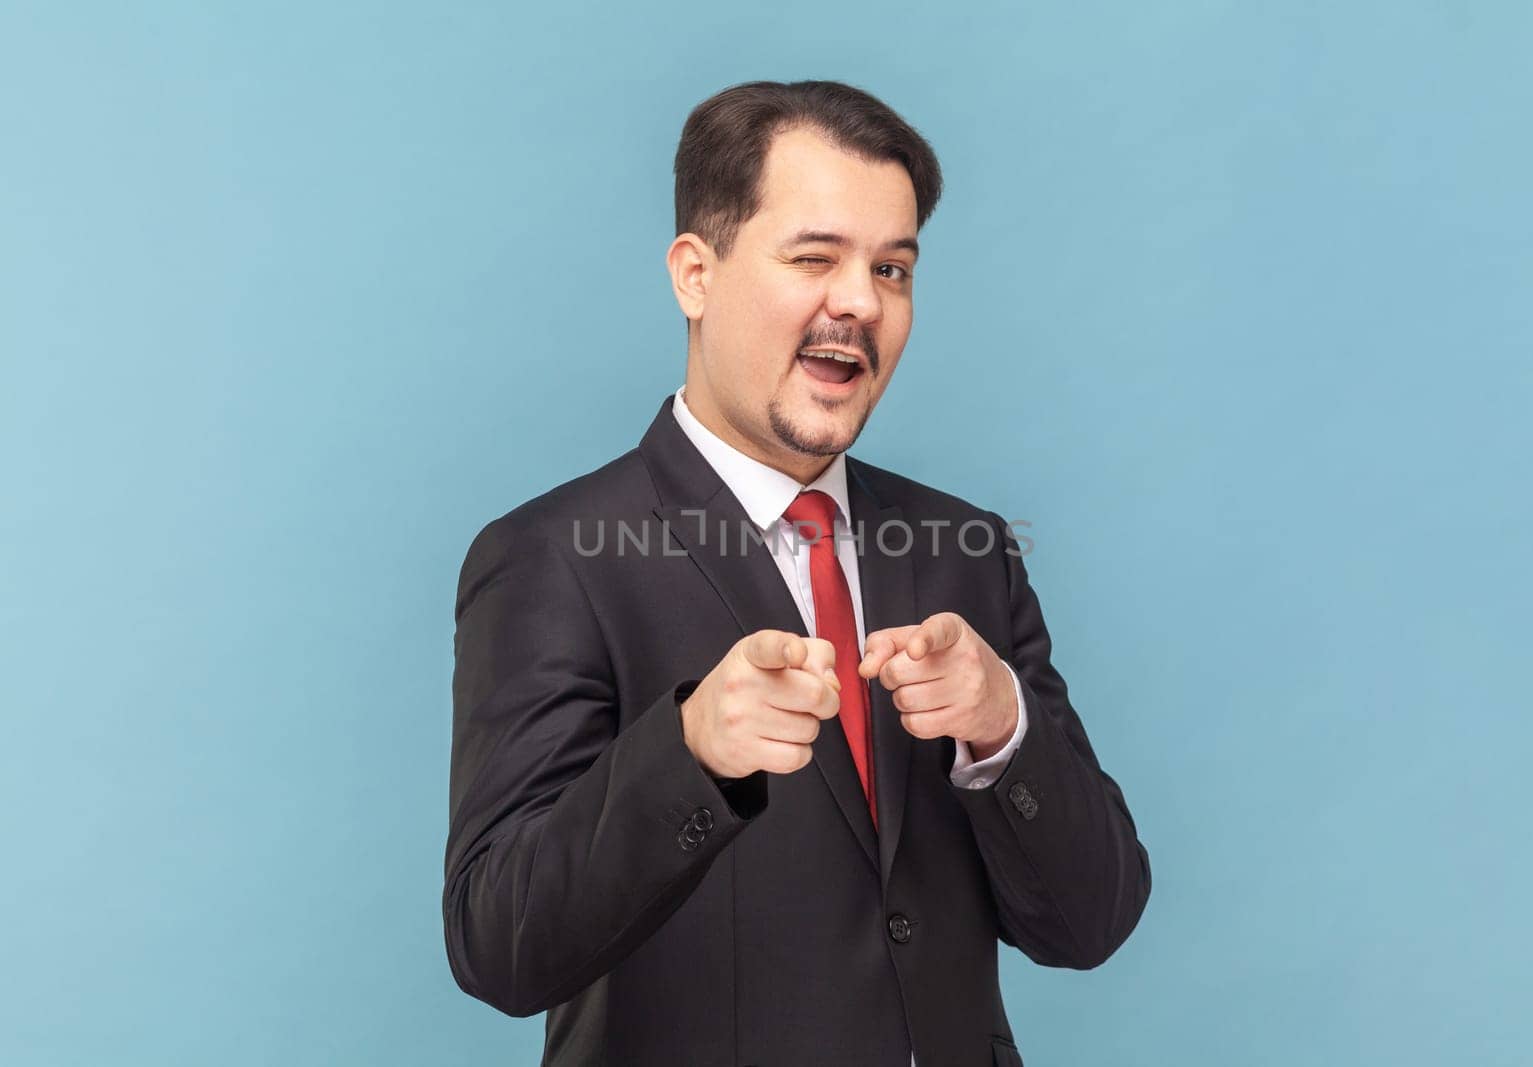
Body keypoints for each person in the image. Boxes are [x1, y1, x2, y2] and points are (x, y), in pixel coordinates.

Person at [444, 79, 1151, 1067]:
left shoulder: (966, 550)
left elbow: (1092, 920)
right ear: (695, 273)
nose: (859, 301)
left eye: (892, 268)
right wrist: (686, 750)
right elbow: (500, 945)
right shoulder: (553, 557)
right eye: (814, 257)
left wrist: (1003, 728)